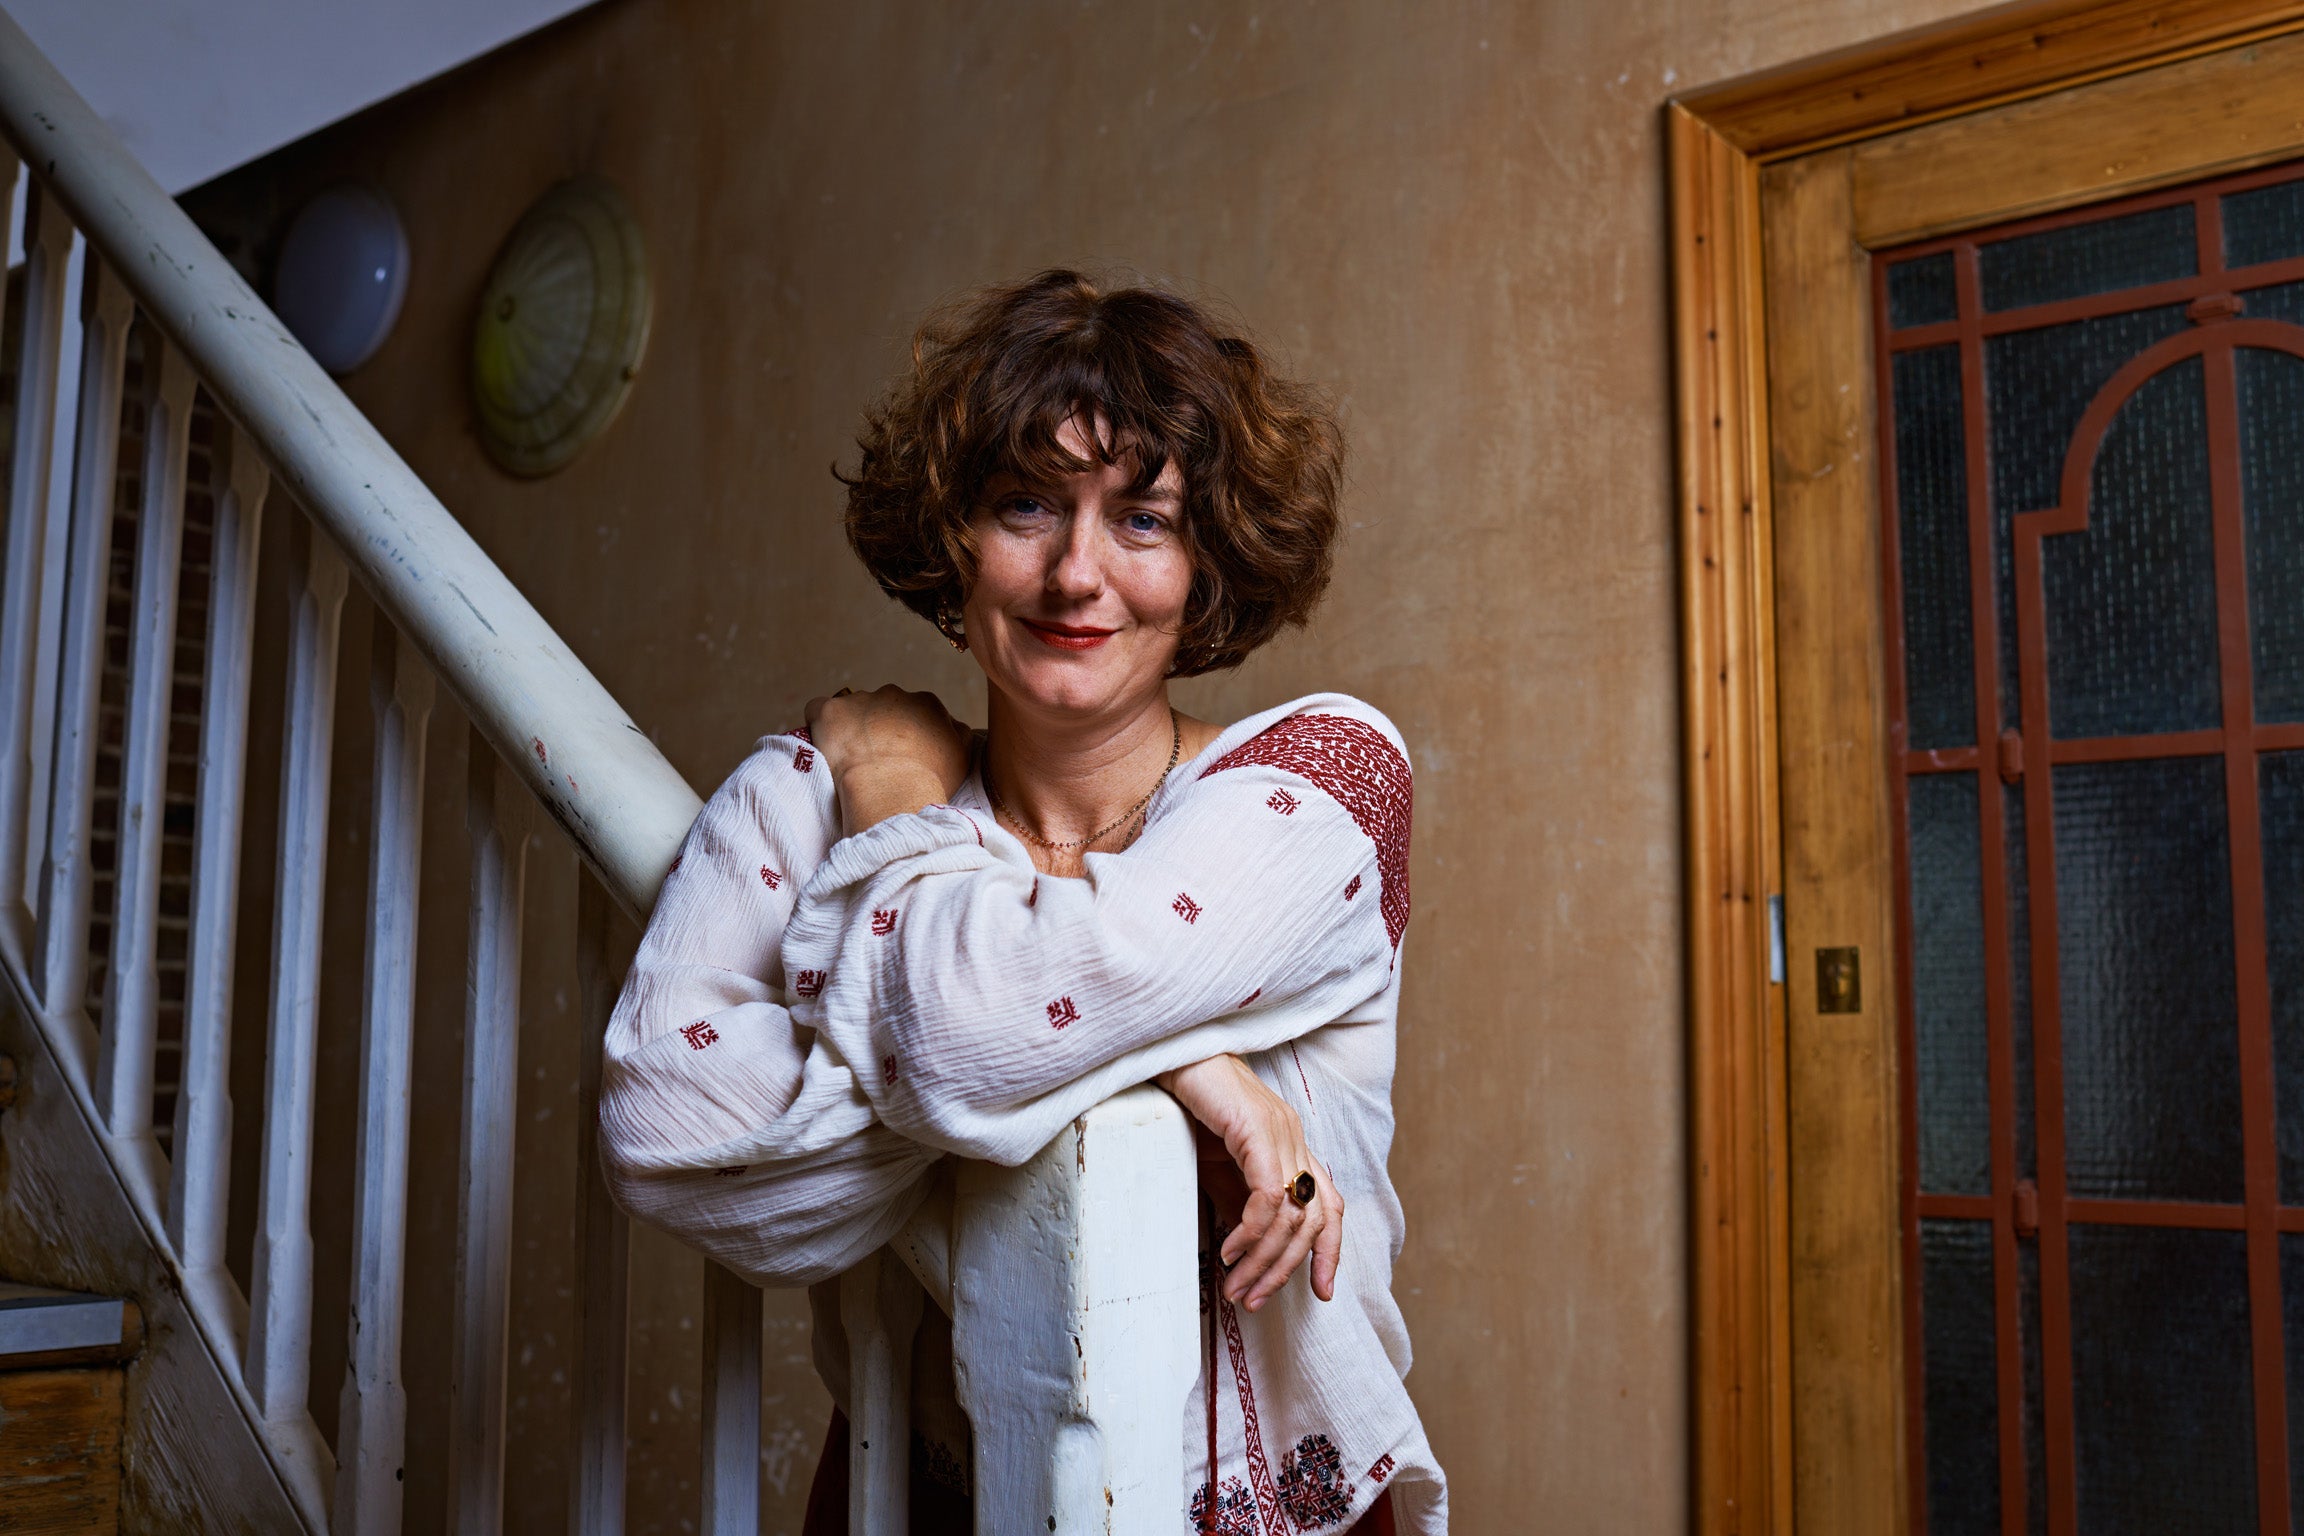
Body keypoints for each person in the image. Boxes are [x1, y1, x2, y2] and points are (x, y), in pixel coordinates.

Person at [599, 270, 1445, 1533]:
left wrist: (894, 794)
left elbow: (960, 1027)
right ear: (953, 534)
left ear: (1209, 561)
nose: (1075, 573)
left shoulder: (1322, 784)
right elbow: (661, 1126)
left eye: (1143, 520)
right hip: (915, 1493)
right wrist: (1185, 1061)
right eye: (1025, 505)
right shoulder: (800, 786)